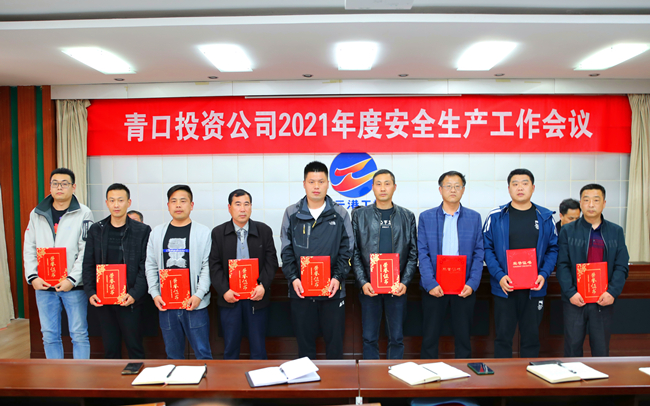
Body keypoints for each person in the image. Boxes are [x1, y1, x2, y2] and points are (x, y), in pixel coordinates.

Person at [280, 161, 353, 359]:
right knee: (305, 349)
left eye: (321, 181)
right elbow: (286, 250)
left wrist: (337, 277)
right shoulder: (291, 213)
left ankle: (335, 381)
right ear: (304, 184)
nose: (316, 186)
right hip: (301, 291)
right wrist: (293, 278)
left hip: (333, 291)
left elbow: (347, 250)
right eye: (311, 181)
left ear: (328, 184)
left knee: (335, 347)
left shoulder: (340, 214)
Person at [483, 168, 558, 358]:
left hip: (535, 288)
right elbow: (486, 249)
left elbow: (553, 249)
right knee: (502, 338)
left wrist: (543, 274)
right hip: (504, 287)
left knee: (531, 338)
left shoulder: (545, 217)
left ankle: (530, 375)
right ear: (509, 188)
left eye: (525, 183)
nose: (520, 188)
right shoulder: (496, 216)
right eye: (515, 184)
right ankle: (503, 375)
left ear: (533, 187)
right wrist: (500, 276)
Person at [23, 168, 94, 359]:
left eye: (64, 184)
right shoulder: (37, 213)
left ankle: (81, 376)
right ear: (50, 187)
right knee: (49, 335)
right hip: (44, 284)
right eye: (55, 183)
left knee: (79, 334)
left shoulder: (84, 213)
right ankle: (55, 375)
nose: (59, 187)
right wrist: (33, 276)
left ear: (73, 187)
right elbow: (29, 246)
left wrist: (72, 279)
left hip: (73, 286)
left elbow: (86, 250)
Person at [556, 184, 629, 357]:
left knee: (601, 349)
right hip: (575, 299)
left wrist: (612, 292)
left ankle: (600, 376)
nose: (591, 205)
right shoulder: (568, 230)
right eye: (586, 200)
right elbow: (562, 264)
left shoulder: (615, 231)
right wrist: (571, 293)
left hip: (603, 299)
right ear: (581, 203)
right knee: (572, 348)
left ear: (604, 203)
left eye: (596, 200)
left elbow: (621, 266)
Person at [352, 169, 417, 360]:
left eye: (387, 184)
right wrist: (363, 282)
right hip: (369, 287)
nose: (383, 188)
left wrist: (404, 282)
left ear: (394, 187)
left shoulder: (407, 216)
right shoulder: (359, 215)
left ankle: (395, 374)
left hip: (397, 287)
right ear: (372, 187)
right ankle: (370, 376)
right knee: (369, 338)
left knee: (396, 338)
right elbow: (354, 252)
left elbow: (413, 253)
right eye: (378, 184)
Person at [418, 171, 484, 359]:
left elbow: (479, 252)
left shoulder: (474, 217)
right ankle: (427, 371)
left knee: (463, 338)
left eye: (457, 186)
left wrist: (472, 283)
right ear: (440, 190)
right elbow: (422, 252)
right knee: (429, 337)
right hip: (434, 287)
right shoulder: (426, 217)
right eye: (448, 186)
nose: (453, 190)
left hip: (463, 287)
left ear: (463, 190)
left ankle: (464, 373)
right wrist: (430, 283)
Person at [82, 183, 152, 359]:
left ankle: (138, 375)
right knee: (110, 348)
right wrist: (90, 291)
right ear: (106, 203)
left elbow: (146, 265)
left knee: (135, 346)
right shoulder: (96, 229)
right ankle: (113, 377)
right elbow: (88, 263)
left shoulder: (142, 230)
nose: (116, 205)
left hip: (131, 299)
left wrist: (134, 294)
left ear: (129, 202)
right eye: (112, 200)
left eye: (120, 200)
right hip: (104, 300)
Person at [145, 185, 213, 359]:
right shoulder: (157, 233)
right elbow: (150, 265)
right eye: (173, 201)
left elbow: (207, 266)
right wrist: (154, 293)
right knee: (173, 355)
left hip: (195, 303)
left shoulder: (203, 232)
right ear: (168, 205)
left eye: (183, 201)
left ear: (191, 205)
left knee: (203, 353)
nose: (178, 205)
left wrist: (199, 294)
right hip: (166, 304)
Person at [209, 189, 278, 359]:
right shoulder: (218, 233)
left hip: (257, 297)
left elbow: (271, 262)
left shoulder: (264, 231)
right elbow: (214, 265)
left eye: (246, 204)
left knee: (258, 346)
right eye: (238, 204)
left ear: (251, 207)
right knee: (230, 346)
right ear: (229, 208)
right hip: (230, 298)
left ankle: (260, 375)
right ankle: (231, 377)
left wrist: (263, 286)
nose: (242, 209)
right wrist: (224, 290)